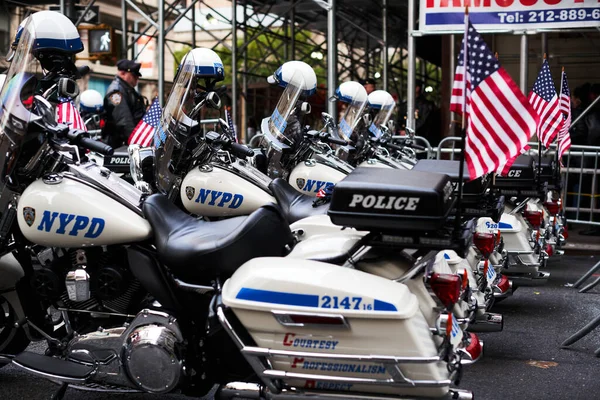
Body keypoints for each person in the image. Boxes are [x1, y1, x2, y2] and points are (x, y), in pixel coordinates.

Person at [101, 59, 146, 148]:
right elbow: (124, 121)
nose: (137, 78)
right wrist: (136, 143)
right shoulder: (116, 91)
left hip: (126, 143)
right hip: (119, 145)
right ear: (122, 73)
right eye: (134, 75)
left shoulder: (128, 90)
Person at [398, 79, 441, 146]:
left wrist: (409, 132)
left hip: (421, 140)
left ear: (417, 88)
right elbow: (399, 120)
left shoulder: (426, 105)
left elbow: (424, 122)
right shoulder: (404, 105)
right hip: (405, 139)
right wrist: (401, 130)